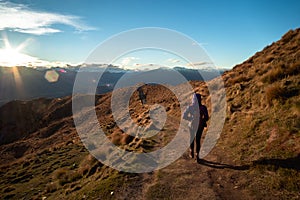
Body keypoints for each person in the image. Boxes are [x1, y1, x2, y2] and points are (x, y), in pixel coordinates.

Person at [183, 93, 209, 162]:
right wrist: (202, 120)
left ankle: (191, 151)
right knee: (198, 140)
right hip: (200, 126)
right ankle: (197, 155)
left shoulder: (190, 107)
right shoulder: (203, 107)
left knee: (191, 138)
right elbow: (207, 118)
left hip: (191, 125)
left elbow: (184, 116)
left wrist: (190, 119)